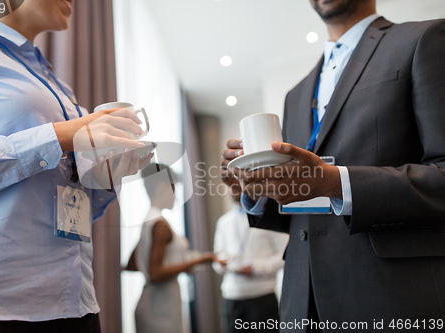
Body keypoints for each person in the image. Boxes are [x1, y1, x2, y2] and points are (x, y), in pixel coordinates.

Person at [221, 0, 445, 331]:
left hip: (388, 298)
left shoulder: (424, 38)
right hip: (301, 303)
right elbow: (308, 212)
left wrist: (334, 182)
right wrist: (254, 190)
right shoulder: (295, 95)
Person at [0, 1, 153, 332]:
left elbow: (65, 193)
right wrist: (58, 136)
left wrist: (108, 172)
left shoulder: (58, 86)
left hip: (76, 302)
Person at [126, 163, 218, 333]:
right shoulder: (159, 225)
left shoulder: (148, 220)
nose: (175, 196)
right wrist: (199, 260)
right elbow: (155, 273)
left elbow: (132, 264)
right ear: (162, 188)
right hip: (160, 308)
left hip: (151, 303)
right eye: (173, 189)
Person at [213, 177, 288, 333]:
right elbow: (216, 258)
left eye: (236, 183)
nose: (232, 189)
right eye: (229, 185)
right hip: (231, 297)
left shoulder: (267, 218)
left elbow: (285, 254)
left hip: (262, 296)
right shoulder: (224, 222)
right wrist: (220, 264)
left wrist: (256, 269)